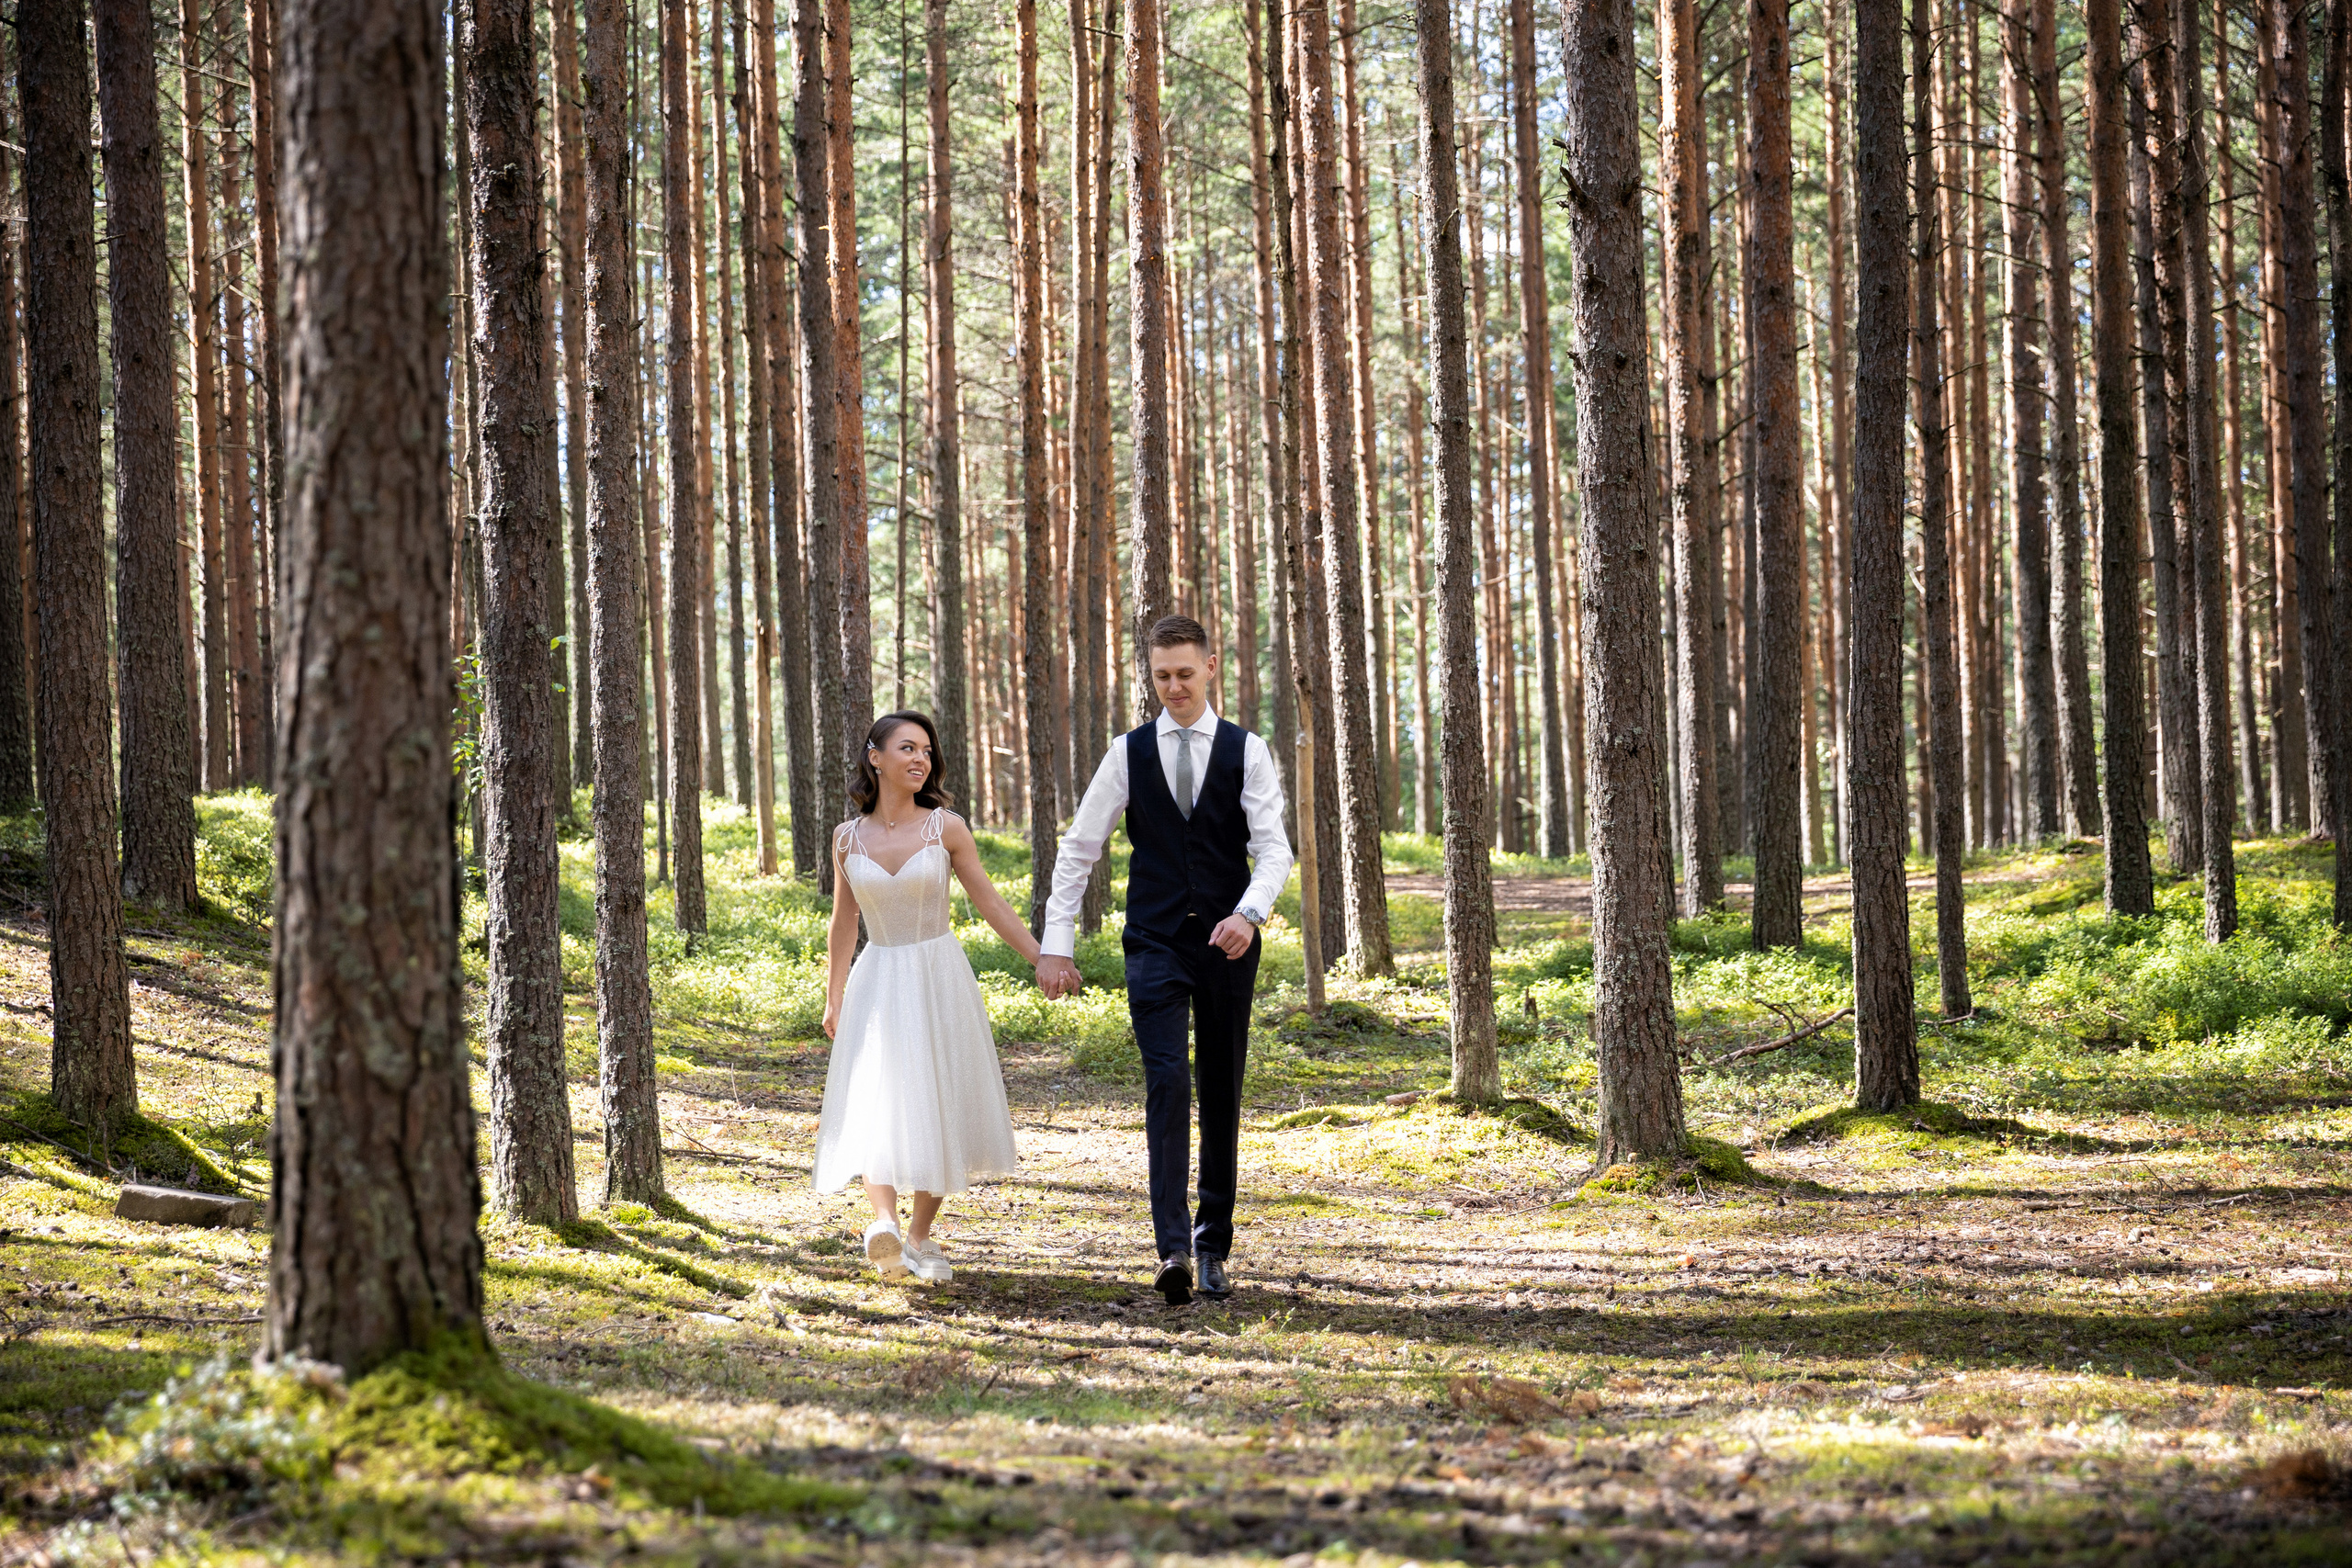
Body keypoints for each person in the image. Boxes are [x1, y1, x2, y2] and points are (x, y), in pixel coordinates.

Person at [1037, 615, 1293, 1304]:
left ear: (1211, 666)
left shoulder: (1248, 750)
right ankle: (1172, 1248)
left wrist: (1249, 912)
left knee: (1221, 1088)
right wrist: (1056, 940)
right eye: (1161, 676)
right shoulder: (1127, 753)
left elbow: (1274, 849)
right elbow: (1079, 846)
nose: (1174, 686)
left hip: (1227, 944)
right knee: (1167, 1081)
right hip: (1152, 941)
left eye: (1185, 672)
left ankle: (1214, 1248)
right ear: (1149, 677)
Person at [819, 711, 1041, 1283]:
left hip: (937, 972)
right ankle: (884, 1227)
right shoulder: (847, 838)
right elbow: (844, 923)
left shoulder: (945, 828)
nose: (920, 759)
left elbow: (990, 903)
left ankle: (919, 1237)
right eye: (906, 748)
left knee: (938, 1099)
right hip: (878, 976)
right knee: (876, 1099)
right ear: (876, 757)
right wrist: (834, 994)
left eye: (926, 751)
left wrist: (1042, 958)